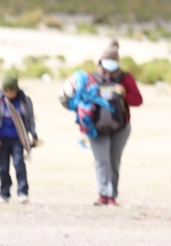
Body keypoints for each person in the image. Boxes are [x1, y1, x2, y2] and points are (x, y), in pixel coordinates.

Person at [59, 40, 143, 205]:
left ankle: (112, 195)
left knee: (114, 161)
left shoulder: (125, 79)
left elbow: (138, 100)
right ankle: (103, 194)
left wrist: (125, 94)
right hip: (95, 127)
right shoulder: (89, 78)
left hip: (121, 127)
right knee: (101, 160)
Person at [0, 74, 38, 204]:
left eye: (11, 91)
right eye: (5, 91)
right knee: (3, 167)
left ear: (16, 89)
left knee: (19, 164)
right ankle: (4, 194)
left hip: (18, 139)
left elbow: (30, 119)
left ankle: (22, 193)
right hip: (1, 140)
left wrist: (34, 135)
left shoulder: (24, 101)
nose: (8, 94)